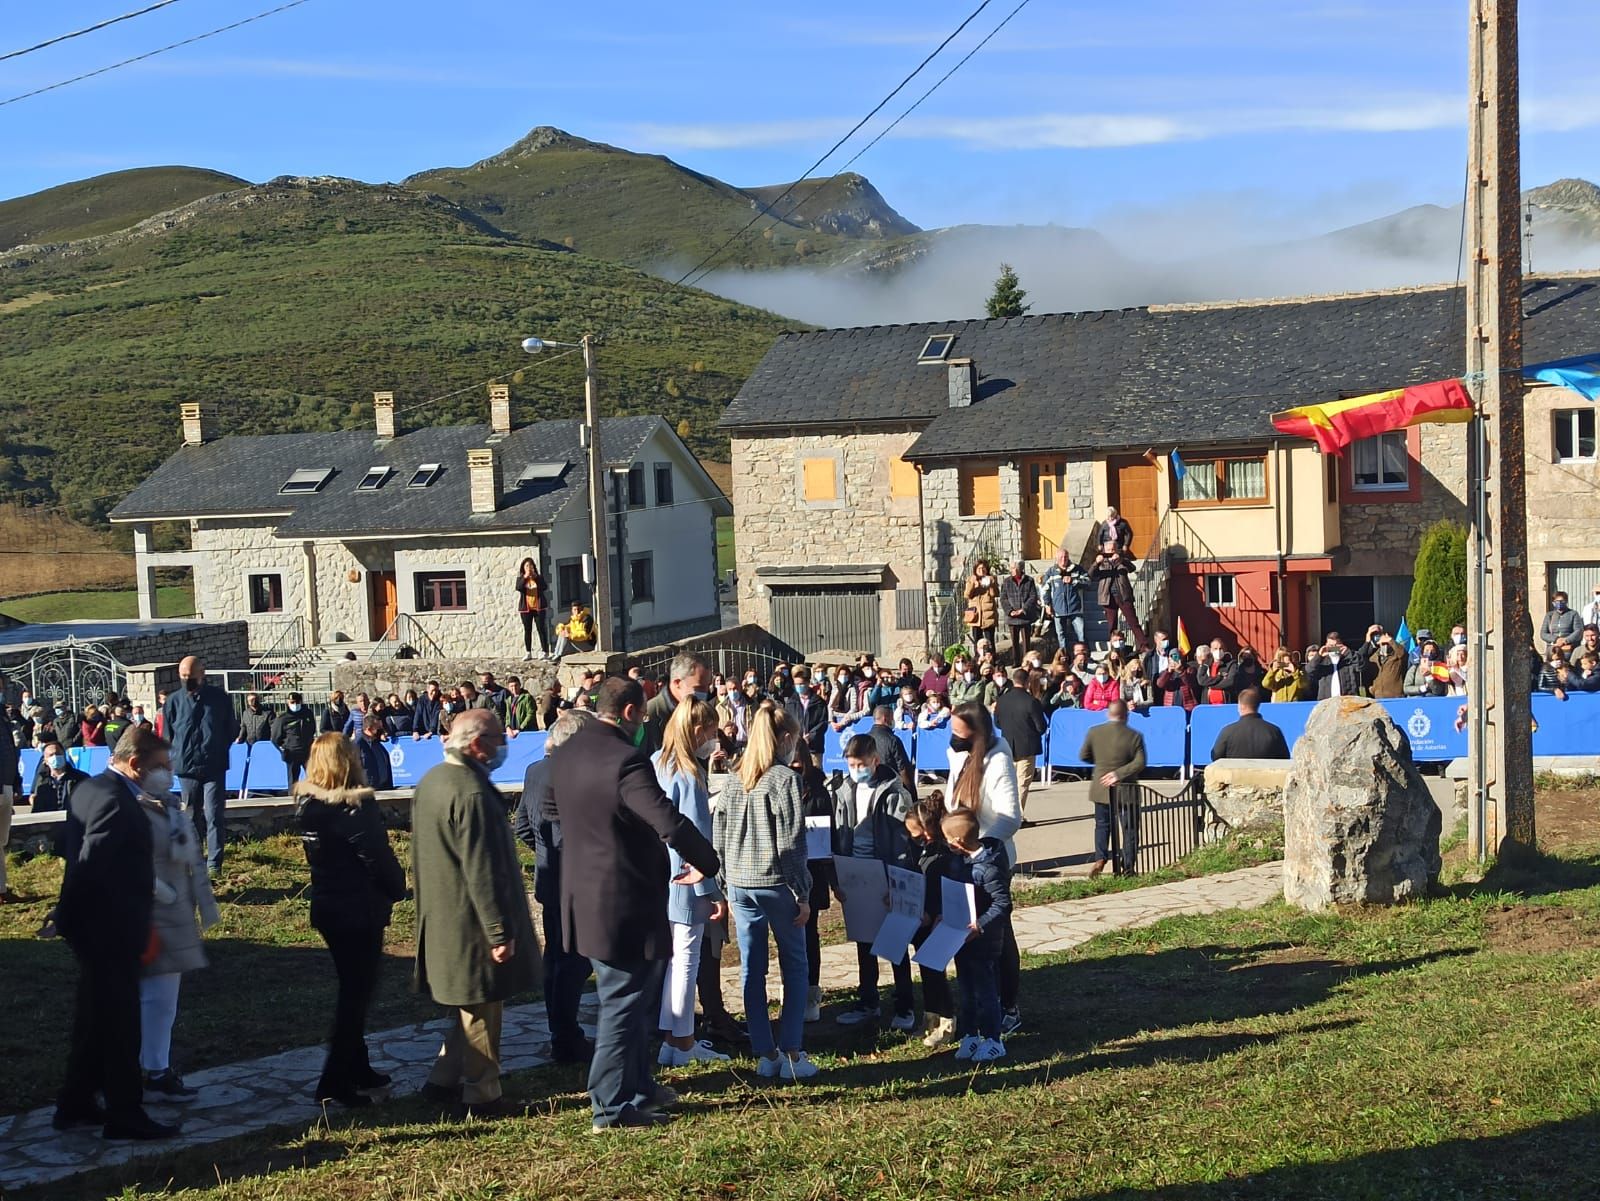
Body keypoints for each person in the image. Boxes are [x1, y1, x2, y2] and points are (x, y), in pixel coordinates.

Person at [550, 678, 721, 1130]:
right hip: (622, 899)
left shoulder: (566, 753)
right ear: (629, 713)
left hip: (582, 893)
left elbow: (558, 812)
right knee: (623, 1001)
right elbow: (666, 819)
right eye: (643, 715)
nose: (645, 722)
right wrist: (707, 860)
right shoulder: (625, 760)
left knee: (638, 995)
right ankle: (609, 1105)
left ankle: (639, 1085)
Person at [53, 725, 180, 1140]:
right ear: (134, 764)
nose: (168, 772)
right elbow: (90, 864)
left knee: (94, 1017)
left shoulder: (93, 789)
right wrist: (66, 917)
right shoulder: (114, 800)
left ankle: (76, 1103)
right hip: (110, 927)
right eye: (161, 766)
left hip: (99, 925)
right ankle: (125, 1113)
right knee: (122, 1022)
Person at [412, 709, 540, 1119]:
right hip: (470, 922)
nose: (505, 745)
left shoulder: (433, 780)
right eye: (499, 738)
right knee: (483, 1006)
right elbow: (482, 868)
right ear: (477, 744)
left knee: (468, 1005)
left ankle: (443, 1078)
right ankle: (483, 1095)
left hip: (444, 915)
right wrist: (499, 931)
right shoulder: (468, 791)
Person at [294, 733, 407, 1107]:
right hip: (358, 910)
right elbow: (376, 856)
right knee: (355, 997)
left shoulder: (309, 806)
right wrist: (397, 887)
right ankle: (334, 1080)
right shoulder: (354, 807)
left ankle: (358, 1067)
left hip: (328, 906)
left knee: (352, 988)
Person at [712, 708, 815, 1080]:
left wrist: (723, 882)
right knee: (795, 965)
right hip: (775, 882)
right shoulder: (783, 779)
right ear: (785, 739)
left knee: (752, 968)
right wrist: (802, 892)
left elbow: (718, 835)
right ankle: (792, 1049)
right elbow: (791, 841)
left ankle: (764, 1051)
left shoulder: (735, 778)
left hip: (740, 882)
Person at [512, 710, 595, 1065]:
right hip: (576, 881)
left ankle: (558, 1026)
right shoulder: (577, 775)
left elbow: (522, 828)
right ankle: (565, 1035)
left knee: (556, 959)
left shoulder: (534, 770)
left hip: (549, 878)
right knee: (574, 962)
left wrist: (545, 855)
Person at [650, 700, 730, 1068]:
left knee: (672, 960)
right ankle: (683, 1041)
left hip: (659, 877)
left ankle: (671, 1036)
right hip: (685, 878)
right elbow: (697, 836)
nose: (713, 741)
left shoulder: (655, 763)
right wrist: (711, 891)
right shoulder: (689, 775)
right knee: (686, 960)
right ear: (697, 731)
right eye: (711, 733)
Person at [138, 761, 220, 1101]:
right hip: (151, 914)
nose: (169, 774)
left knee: (163, 1000)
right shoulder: (134, 811)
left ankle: (154, 1064)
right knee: (153, 998)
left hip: (173, 915)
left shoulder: (170, 808)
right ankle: (151, 1070)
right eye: (161, 767)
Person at [944, 701, 1023, 1033]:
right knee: (971, 937)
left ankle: (1008, 1006)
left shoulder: (999, 760)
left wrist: (981, 849)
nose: (954, 739)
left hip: (988, 858)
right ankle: (977, 1003)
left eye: (960, 734)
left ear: (977, 734)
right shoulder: (960, 754)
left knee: (998, 937)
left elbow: (1010, 816)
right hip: (962, 854)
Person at [833, 734, 916, 1031]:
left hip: (885, 872)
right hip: (855, 873)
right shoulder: (843, 789)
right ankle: (868, 1000)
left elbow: (902, 842)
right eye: (851, 764)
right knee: (863, 941)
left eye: (861, 764)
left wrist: (897, 881)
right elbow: (839, 832)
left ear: (875, 761)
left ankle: (905, 1005)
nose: (856, 769)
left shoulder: (894, 794)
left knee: (894, 942)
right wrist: (837, 876)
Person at [941, 808, 1013, 1064]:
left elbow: (1002, 904)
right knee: (966, 989)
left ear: (958, 842)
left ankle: (993, 1039)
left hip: (983, 942)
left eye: (947, 839)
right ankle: (971, 1034)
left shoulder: (989, 868)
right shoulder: (958, 863)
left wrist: (980, 925)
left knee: (986, 992)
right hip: (961, 940)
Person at [162, 656, 236, 877]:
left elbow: (230, 729)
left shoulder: (219, 699)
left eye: (191, 676)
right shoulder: (173, 702)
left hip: (214, 766)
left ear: (202, 674)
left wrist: (216, 748)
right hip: (187, 769)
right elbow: (168, 735)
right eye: (183, 676)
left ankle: (214, 863)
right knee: (191, 816)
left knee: (214, 814)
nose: (187, 680)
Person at [903, 794, 957, 1047]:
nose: (914, 839)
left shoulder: (944, 856)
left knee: (937, 973)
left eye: (917, 833)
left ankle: (948, 1021)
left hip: (937, 922)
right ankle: (931, 1016)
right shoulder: (923, 851)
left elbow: (945, 891)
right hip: (921, 921)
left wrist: (933, 913)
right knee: (926, 972)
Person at [792, 736, 834, 1023]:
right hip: (785, 872)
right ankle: (791, 986)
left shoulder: (818, 792)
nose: (793, 767)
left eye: (798, 762)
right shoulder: (777, 784)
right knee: (788, 932)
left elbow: (828, 836)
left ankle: (810, 992)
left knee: (810, 933)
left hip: (813, 872)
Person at [1079, 700, 1147, 878]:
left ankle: (1100, 859)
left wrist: (1102, 764)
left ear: (1108, 713)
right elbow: (1140, 762)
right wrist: (1119, 773)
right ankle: (1128, 867)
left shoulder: (1094, 732)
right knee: (1129, 829)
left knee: (1102, 825)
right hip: (1126, 788)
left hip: (1101, 786)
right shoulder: (1135, 736)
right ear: (1126, 715)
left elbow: (1083, 755)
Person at [994, 667, 1047, 824]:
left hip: (1007, 744)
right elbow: (1041, 727)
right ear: (1027, 682)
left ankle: (1005, 813)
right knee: (1022, 783)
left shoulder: (1002, 700)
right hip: (1027, 746)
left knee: (1008, 781)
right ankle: (1017, 817)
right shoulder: (1031, 701)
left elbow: (997, 723)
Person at [642, 652, 712, 754]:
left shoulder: (703, 711)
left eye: (707, 686)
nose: (705, 692)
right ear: (677, 683)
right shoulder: (651, 714)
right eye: (699, 688)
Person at [1091, 541, 1146, 650]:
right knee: (1112, 625)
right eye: (1108, 550)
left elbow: (1132, 568)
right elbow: (1090, 575)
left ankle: (1144, 645)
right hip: (1107, 597)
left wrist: (1121, 560)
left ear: (1116, 549)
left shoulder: (1122, 559)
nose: (1111, 552)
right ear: (1104, 550)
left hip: (1123, 595)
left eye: (1113, 549)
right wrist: (1096, 563)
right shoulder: (1101, 561)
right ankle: (1114, 649)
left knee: (1133, 622)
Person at [1209, 689, 1291, 760]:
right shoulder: (1274, 731)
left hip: (1235, 777)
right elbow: (1284, 758)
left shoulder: (1227, 731)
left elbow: (1215, 756)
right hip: (1264, 777)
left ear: (1241, 706)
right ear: (1258, 705)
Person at [1041, 549, 1089, 652]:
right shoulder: (1051, 572)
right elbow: (1045, 589)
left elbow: (1088, 582)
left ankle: (1085, 655)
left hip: (1075, 608)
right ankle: (1064, 657)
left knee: (1081, 633)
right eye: (1061, 557)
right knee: (1061, 635)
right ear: (1057, 558)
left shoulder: (1077, 569)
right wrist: (1047, 604)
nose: (1063, 560)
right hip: (1058, 609)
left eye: (1065, 557)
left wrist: (1074, 581)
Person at [268, 692, 318, 785]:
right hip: (292, 752)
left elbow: (312, 729)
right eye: (292, 702)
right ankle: (292, 796)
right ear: (288, 703)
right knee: (293, 780)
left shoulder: (307, 714)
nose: (295, 704)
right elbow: (275, 738)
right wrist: (284, 750)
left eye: (297, 702)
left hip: (307, 751)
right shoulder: (282, 719)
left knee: (313, 777)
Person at [868, 704, 916, 798]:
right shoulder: (893, 740)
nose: (893, 721)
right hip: (891, 789)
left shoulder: (865, 739)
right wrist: (911, 794)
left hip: (870, 789)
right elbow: (903, 769)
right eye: (892, 718)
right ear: (885, 719)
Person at [31, 740, 89, 815]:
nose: (55, 757)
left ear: (64, 755)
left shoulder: (81, 778)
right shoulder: (41, 781)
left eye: (58, 754)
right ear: (45, 760)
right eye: (51, 755)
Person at [999, 560, 1042, 665]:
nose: (1013, 570)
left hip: (1025, 616)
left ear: (1021, 569)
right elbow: (1003, 598)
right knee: (1014, 641)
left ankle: (1027, 661)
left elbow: (1033, 596)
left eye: (1015, 568)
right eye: (1012, 568)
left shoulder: (1029, 580)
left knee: (1026, 641)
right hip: (1012, 616)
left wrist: (1024, 609)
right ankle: (1016, 661)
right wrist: (1010, 611)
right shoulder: (1006, 582)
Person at [1304, 633, 1364, 699]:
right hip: (1326, 701)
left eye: (1336, 645)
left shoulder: (1349, 658)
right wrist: (1319, 656)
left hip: (1347, 699)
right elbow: (1308, 671)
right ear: (1326, 644)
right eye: (1331, 645)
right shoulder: (1322, 661)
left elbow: (1361, 666)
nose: (1333, 648)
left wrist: (1349, 653)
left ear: (1341, 644)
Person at [515, 557, 550, 659]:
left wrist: (536, 578)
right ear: (523, 568)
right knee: (527, 630)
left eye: (530, 566)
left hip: (538, 607)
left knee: (541, 629)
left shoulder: (538, 577)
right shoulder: (521, 578)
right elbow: (519, 587)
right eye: (526, 566)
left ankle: (544, 651)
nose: (529, 568)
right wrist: (525, 577)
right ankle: (528, 652)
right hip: (526, 608)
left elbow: (544, 587)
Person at [964, 560, 999, 656]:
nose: (981, 570)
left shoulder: (991, 579)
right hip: (975, 615)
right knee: (977, 640)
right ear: (975, 570)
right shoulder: (970, 580)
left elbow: (995, 594)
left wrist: (991, 584)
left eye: (983, 568)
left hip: (988, 615)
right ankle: (978, 660)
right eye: (979, 568)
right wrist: (973, 584)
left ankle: (991, 659)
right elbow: (967, 595)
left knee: (990, 641)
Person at [0, 708, 16, 903]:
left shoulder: (3, 718)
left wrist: (15, 781)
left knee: (1, 841)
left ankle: (1, 889)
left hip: (6, 785)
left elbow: (11, 750)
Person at [357, 715, 394, 791]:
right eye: (378, 729)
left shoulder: (376, 743)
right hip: (369, 789)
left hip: (384, 787)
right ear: (369, 729)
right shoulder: (358, 744)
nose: (382, 731)